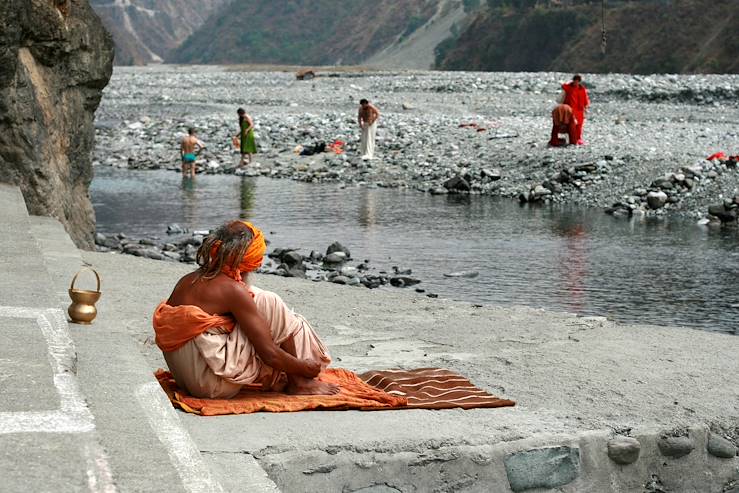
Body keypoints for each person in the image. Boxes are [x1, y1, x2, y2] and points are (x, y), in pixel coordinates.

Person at [152, 220, 339, 398]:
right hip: (212, 386)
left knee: (259, 299)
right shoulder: (233, 290)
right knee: (270, 302)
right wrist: (304, 367)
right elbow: (270, 355)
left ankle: (296, 378)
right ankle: (300, 382)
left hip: (187, 379)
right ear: (248, 262)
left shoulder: (187, 280)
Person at [560, 75, 590, 145]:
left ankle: (579, 138)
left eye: (577, 81)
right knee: (572, 125)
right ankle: (573, 139)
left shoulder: (582, 89)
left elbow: (585, 99)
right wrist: (569, 83)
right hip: (570, 109)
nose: (575, 83)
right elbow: (563, 86)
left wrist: (586, 107)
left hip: (579, 110)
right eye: (574, 81)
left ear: (579, 82)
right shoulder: (569, 87)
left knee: (579, 125)